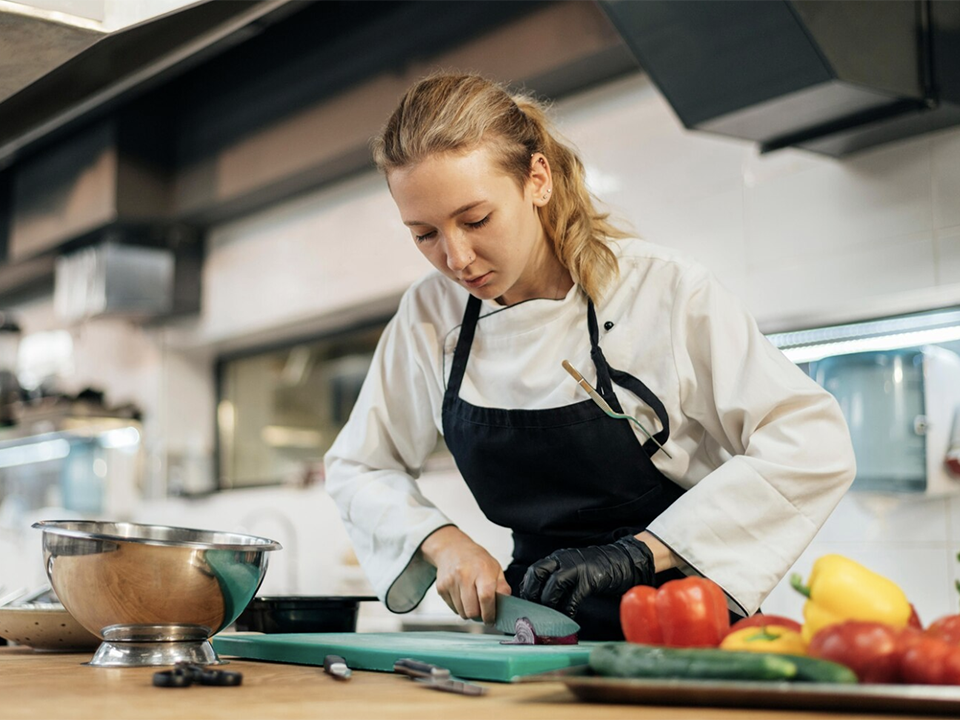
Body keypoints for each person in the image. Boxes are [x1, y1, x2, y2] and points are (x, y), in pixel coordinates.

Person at [324, 72, 856, 640]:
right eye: (424, 234)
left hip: (679, 628)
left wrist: (637, 555)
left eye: (476, 220)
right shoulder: (430, 314)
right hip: (531, 633)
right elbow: (360, 465)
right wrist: (442, 541)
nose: (456, 257)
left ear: (537, 178)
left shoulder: (662, 290)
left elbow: (810, 443)